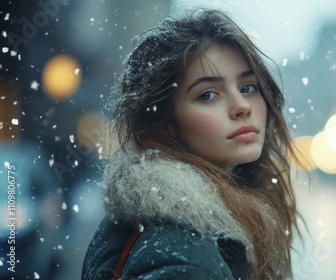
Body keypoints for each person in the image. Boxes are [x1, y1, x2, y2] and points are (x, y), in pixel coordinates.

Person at [82, 8, 305, 280]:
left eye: (248, 87)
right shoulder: (183, 255)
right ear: (164, 123)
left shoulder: (172, 223)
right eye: (208, 95)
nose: (242, 107)